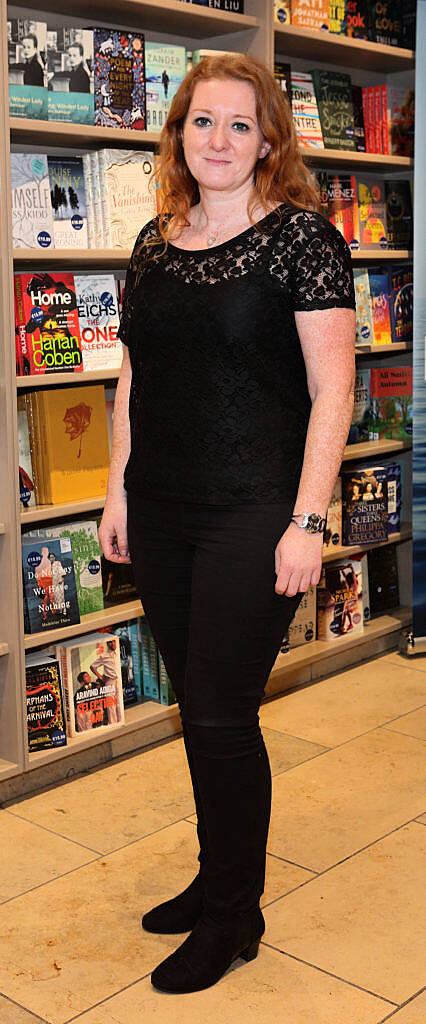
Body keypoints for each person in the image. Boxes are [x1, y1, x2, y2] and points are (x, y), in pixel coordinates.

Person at [98, 53, 356, 994]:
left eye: (239, 125)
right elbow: (135, 378)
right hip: (160, 508)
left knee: (220, 713)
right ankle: (216, 878)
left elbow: (334, 390)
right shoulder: (153, 242)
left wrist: (307, 520)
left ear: (269, 141)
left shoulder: (301, 241)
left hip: (257, 512)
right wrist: (118, 492)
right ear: (178, 137)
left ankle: (232, 915)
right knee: (194, 710)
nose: (218, 140)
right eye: (201, 122)